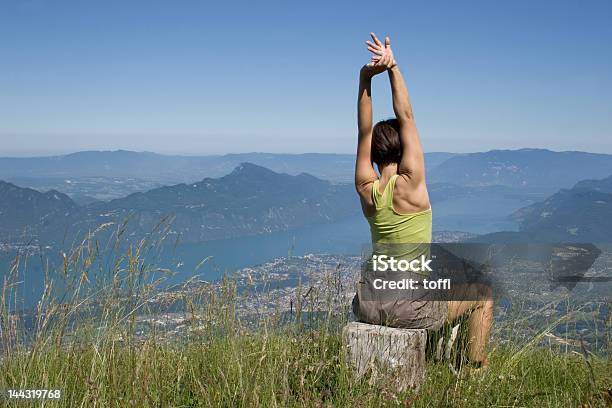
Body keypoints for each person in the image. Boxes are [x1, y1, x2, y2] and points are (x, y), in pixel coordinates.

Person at [352, 33, 493, 367]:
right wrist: (393, 67)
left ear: (374, 154)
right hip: (409, 307)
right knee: (483, 293)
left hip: (368, 302)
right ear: (403, 150)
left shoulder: (365, 188)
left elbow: (363, 130)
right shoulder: (410, 185)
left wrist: (364, 78)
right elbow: (408, 117)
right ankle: (475, 369)